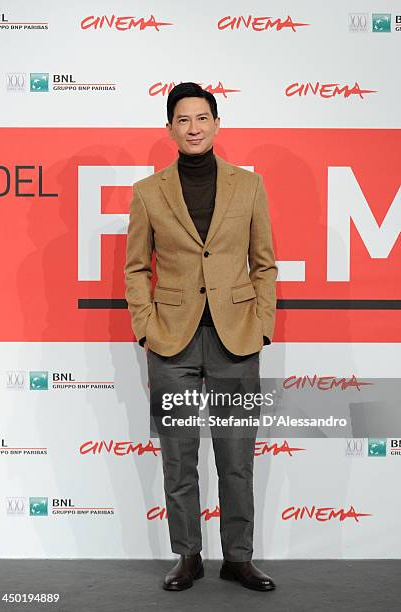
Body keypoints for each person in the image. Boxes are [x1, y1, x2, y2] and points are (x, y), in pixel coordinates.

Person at [124, 82, 278, 592]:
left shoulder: (248, 186)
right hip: (172, 341)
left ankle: (238, 557)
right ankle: (187, 555)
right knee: (178, 455)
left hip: (237, 338)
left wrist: (263, 324)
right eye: (183, 119)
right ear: (170, 127)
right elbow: (136, 268)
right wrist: (146, 326)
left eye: (202, 118)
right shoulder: (148, 192)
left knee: (236, 457)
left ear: (217, 123)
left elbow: (265, 264)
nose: (193, 128)